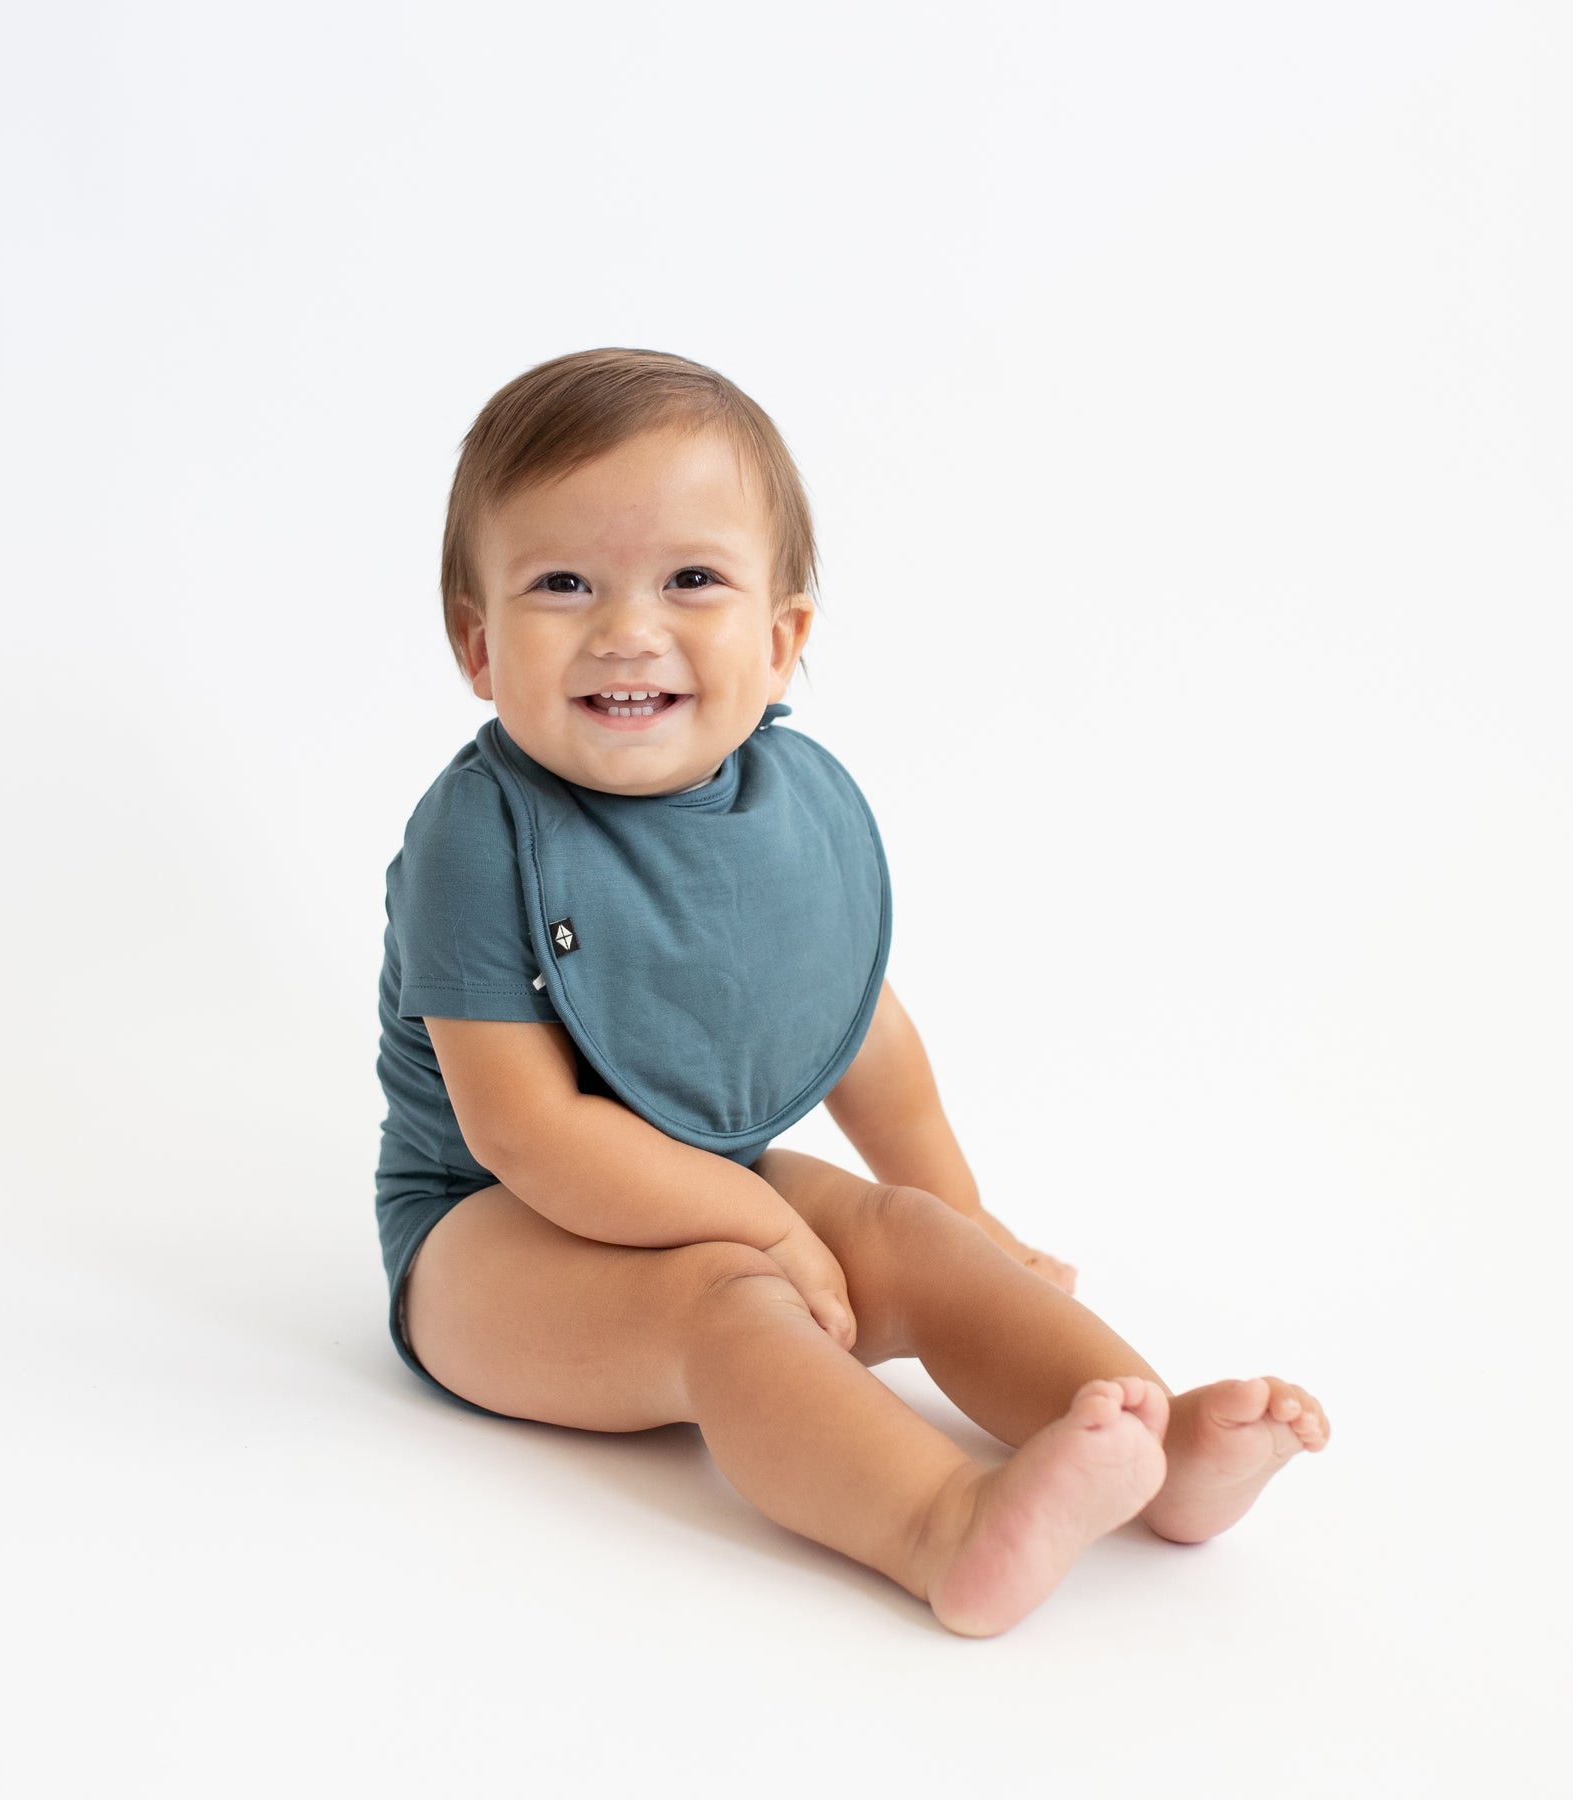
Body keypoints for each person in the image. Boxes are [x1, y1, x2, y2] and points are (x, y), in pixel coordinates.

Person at [371, 346, 1330, 1638]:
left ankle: (1145, 1432)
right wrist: (762, 1231)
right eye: (562, 584)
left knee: (913, 1236)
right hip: (483, 1235)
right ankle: (942, 1526)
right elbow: (524, 1130)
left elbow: (861, 1026)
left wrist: (965, 1214)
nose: (626, 628)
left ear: (782, 642)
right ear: (480, 646)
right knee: (729, 1308)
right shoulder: (479, 833)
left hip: (710, 1169)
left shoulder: (789, 808)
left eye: (690, 579)